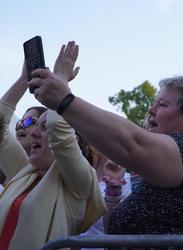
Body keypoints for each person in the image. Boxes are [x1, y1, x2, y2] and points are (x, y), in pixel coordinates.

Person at [28, 55, 183, 235]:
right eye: (154, 103)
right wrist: (113, 194)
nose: (150, 110)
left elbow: (131, 143)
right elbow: (113, 231)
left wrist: (64, 100)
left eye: (162, 105)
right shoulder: (166, 172)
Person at [0, 41, 106, 250]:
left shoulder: (79, 182)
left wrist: (60, 80)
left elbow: (60, 133)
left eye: (44, 127)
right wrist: (24, 80)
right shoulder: (25, 172)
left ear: (73, 141)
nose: (34, 132)